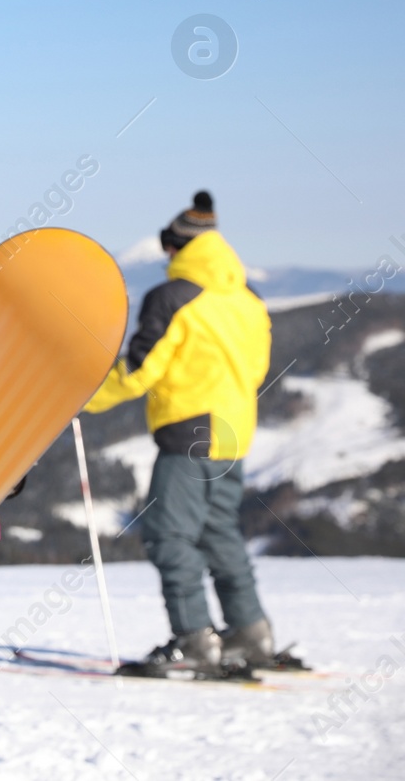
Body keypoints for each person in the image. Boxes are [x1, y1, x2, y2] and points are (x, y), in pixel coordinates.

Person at [82, 191, 280, 675]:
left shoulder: (172, 298)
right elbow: (257, 368)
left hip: (190, 429)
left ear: (177, 246)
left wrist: (84, 395)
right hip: (234, 432)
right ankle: (252, 634)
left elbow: (139, 370)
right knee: (219, 535)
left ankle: (195, 639)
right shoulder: (248, 298)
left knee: (169, 536)